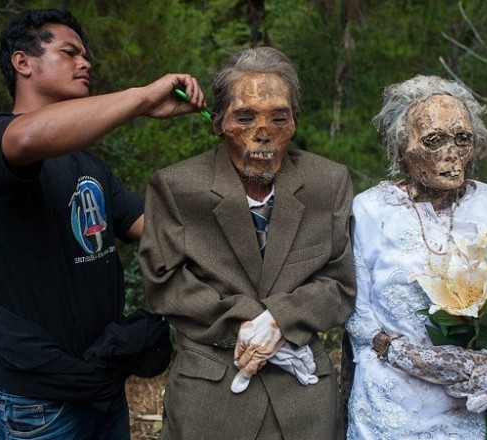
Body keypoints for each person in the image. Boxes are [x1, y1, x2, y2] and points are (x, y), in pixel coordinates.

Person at [0, 8, 206, 439]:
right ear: (23, 62)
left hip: (100, 385)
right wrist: (141, 99)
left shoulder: (89, 166)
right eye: (69, 52)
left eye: (85, 54)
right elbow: (27, 137)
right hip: (37, 403)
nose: (86, 63)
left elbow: (151, 230)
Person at [139, 46, 357, 439]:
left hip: (304, 402)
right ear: (218, 122)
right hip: (210, 399)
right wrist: (244, 322)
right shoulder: (176, 186)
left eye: (279, 117)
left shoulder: (329, 181)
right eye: (245, 117)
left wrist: (280, 319)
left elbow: (340, 283)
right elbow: (163, 281)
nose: (263, 131)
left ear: (294, 122)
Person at [345, 75, 487, 439]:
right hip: (399, 404)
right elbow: (357, 318)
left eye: (462, 138)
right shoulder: (370, 210)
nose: (452, 151)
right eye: (434, 140)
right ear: (402, 148)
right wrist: (419, 359)